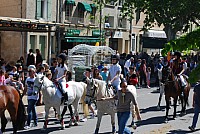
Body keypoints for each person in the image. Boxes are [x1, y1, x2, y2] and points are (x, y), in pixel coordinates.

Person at [22, 65, 38, 129]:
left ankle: (28, 124)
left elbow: (39, 89)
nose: (30, 73)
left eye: (31, 71)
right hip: (29, 96)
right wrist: (22, 95)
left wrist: (40, 97)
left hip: (34, 97)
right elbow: (25, 88)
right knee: (33, 109)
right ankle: (35, 122)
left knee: (29, 110)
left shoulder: (36, 80)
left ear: (34, 72)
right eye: (29, 72)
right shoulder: (27, 79)